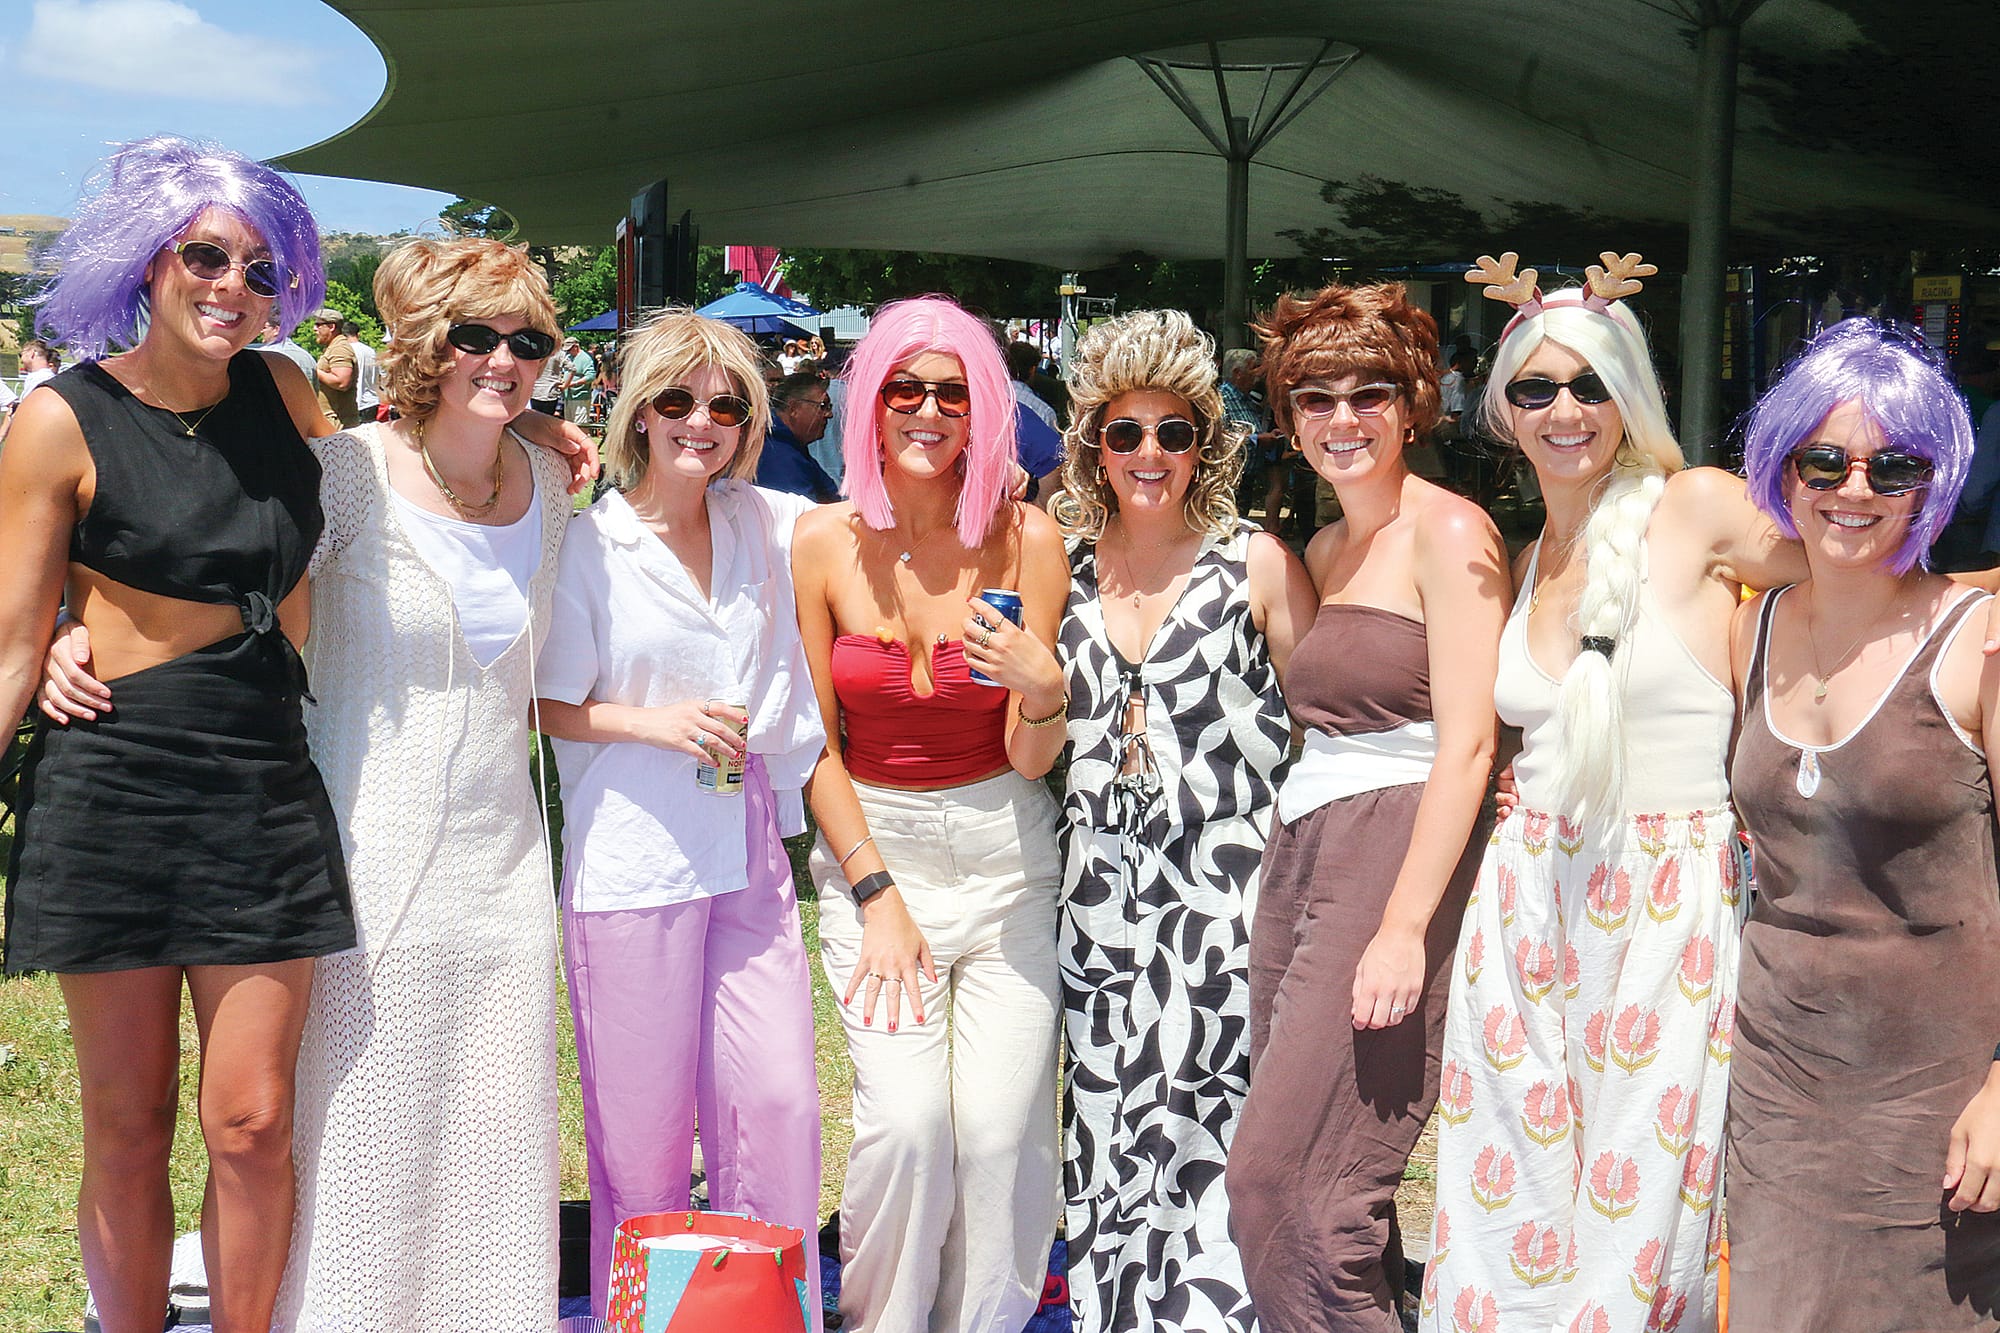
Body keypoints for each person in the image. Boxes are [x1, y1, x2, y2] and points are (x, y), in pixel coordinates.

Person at [0, 135, 353, 1333]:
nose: (232, 289)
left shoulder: (292, 395)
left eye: (262, 270)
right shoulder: (59, 419)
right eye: (206, 255)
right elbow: (7, 638)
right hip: (111, 783)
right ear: (146, 261)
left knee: (251, 1116)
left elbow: (414, 478)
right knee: (129, 1114)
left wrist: (547, 441)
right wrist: (50, 635)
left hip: (260, 778)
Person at [1417, 252, 1770, 1333]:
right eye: (1535, 388)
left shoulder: (1697, 507)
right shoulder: (1526, 555)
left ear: (1629, 395)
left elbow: (1861, 569)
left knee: (1639, 1218)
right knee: (1504, 1189)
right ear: (1502, 409)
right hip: (1526, 901)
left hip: (1666, 904)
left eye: (1588, 385)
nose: (1563, 409)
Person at [535, 310, 828, 1326]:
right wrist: (651, 722)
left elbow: (870, 522)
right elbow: (543, 700)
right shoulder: (591, 545)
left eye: (724, 404)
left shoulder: (764, 520)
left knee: (779, 1103)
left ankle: (767, 1312)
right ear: (637, 413)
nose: (699, 421)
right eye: (675, 400)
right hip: (631, 865)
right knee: (643, 1138)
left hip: (746, 852)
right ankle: (650, 1314)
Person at [1228, 285, 1506, 1332]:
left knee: (1288, 1191)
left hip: (1391, 857)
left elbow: (1471, 740)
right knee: (1327, 1184)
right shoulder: (1326, 549)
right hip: (1302, 853)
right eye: (1314, 397)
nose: (1340, 418)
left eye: (1368, 392)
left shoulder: (1448, 529)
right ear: (1287, 417)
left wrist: (1400, 927)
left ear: (1411, 404)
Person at [791, 295, 1070, 1333]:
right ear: (867, 401)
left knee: (999, 1139)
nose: (926, 409)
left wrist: (1042, 690)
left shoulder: (1026, 540)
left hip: (1005, 855)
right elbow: (811, 745)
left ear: (983, 408)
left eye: (952, 392)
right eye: (903, 387)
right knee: (906, 1130)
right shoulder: (820, 542)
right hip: (878, 855)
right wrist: (873, 891)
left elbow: (1027, 750)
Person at [1727, 320, 2000, 1330]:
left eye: (1892, 465)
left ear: (1931, 481)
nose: (1853, 490)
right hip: (1778, 1080)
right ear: (1778, 467)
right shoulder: (1746, 625)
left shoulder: (1972, 642)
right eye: (1823, 460)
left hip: (1934, 1088)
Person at [1050, 309, 1315, 1333]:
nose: (1149, 454)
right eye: (1125, 433)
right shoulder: (1062, 567)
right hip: (1097, 907)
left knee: (1210, 1135)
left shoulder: (1254, 562)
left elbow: (1325, 729)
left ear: (1206, 443)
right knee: (1110, 1126)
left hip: (1224, 901)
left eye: (1174, 432)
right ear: (1093, 445)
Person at [758, 370, 840, 502]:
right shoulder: (776, 456)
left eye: (829, 407)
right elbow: (805, 518)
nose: (829, 414)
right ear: (794, 409)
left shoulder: (790, 445)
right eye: (823, 406)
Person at [310, 309, 359, 428]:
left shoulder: (340, 348)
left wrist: (313, 370)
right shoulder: (333, 347)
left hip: (338, 424)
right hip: (332, 423)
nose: (314, 329)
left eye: (318, 325)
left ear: (331, 327)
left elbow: (342, 382)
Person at [342, 319, 379, 423]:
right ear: (358, 334)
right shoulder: (371, 351)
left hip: (354, 403)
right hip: (372, 401)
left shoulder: (347, 351)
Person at [560, 336, 597, 424]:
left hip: (580, 398)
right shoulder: (568, 357)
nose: (568, 352)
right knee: (569, 425)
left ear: (576, 346)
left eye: (569, 349)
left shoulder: (585, 358)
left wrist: (574, 383)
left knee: (579, 425)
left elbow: (591, 376)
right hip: (568, 396)